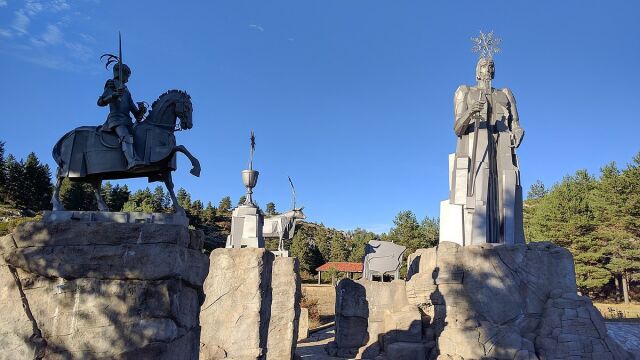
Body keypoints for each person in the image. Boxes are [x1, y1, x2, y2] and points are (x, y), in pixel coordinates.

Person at [450, 57, 525, 245]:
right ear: (477, 70)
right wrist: (470, 113)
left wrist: (517, 133)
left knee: (506, 193)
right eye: (484, 66)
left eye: (491, 66)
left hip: (502, 148)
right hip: (475, 150)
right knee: (479, 193)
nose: (488, 69)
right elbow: (458, 128)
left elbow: (516, 125)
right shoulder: (465, 91)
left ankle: (508, 242)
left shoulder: (506, 94)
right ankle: (476, 242)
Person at [97, 62, 146, 169]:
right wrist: (113, 96)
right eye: (127, 76)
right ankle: (132, 161)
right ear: (120, 74)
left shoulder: (126, 90)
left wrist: (141, 111)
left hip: (127, 120)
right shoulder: (111, 84)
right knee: (126, 136)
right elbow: (100, 102)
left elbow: (134, 110)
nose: (127, 80)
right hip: (116, 119)